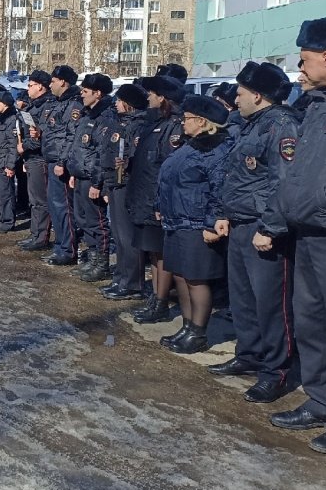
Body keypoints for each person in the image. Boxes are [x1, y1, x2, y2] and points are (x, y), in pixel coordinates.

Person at [210, 62, 299, 403]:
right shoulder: (251, 125)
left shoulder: (281, 125)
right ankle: (249, 354)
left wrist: (271, 228)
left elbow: (284, 182)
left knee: (271, 305)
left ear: (258, 96)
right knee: (243, 298)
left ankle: (275, 371)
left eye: (241, 92)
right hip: (241, 223)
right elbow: (238, 176)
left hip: (264, 230)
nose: (236, 97)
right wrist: (224, 214)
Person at [274, 17, 326, 454]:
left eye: (305, 59)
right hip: (308, 232)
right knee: (312, 321)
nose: (300, 69)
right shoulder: (317, 106)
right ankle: (323, 400)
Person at [156, 95, 233, 354]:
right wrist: (161, 207)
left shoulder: (215, 149)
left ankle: (198, 332)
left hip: (196, 221)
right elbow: (170, 180)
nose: (182, 123)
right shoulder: (191, 145)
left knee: (196, 279)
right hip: (177, 220)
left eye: (187, 118)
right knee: (180, 275)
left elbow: (219, 189)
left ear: (202, 121)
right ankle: (188, 327)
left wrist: (212, 222)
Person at [127, 74, 186, 323]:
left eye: (151, 94)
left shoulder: (174, 125)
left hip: (156, 201)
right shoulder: (152, 122)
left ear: (162, 97)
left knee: (161, 254)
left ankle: (161, 302)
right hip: (144, 197)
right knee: (152, 252)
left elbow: (168, 168)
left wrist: (159, 201)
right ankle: (155, 297)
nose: (148, 97)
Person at [98, 83, 150, 300]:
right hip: (114, 182)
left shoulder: (138, 125)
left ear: (129, 104)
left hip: (127, 183)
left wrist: (127, 161)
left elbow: (139, 156)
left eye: (120, 101)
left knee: (128, 236)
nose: (116, 104)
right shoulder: (120, 123)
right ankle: (121, 276)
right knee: (118, 235)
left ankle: (132, 283)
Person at [64, 73, 115, 282]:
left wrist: (97, 182)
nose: (81, 95)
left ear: (98, 93)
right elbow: (80, 148)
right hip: (81, 175)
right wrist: (74, 172)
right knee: (83, 220)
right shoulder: (87, 115)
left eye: (85, 92)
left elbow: (103, 154)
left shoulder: (106, 117)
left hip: (93, 179)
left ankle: (101, 263)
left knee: (97, 222)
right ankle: (91, 258)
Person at [43, 65, 82, 266]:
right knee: (55, 207)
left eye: (53, 81)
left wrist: (62, 161)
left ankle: (68, 250)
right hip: (52, 160)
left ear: (63, 82)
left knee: (64, 208)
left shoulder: (74, 105)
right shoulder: (59, 103)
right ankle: (60, 246)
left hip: (61, 163)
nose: (50, 85)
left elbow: (71, 135)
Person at [18, 71, 54, 251]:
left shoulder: (46, 107)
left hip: (39, 157)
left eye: (31, 85)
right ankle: (35, 233)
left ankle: (41, 237)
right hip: (31, 158)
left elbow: (38, 136)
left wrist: (24, 146)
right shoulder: (32, 107)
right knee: (34, 200)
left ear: (40, 86)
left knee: (40, 200)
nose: (28, 89)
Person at [0, 90, 20, 232]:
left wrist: (10, 165)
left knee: (6, 193)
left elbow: (13, 145)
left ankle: (8, 221)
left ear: (5, 104)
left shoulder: (11, 119)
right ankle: (2, 218)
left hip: (4, 161)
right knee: (0, 193)